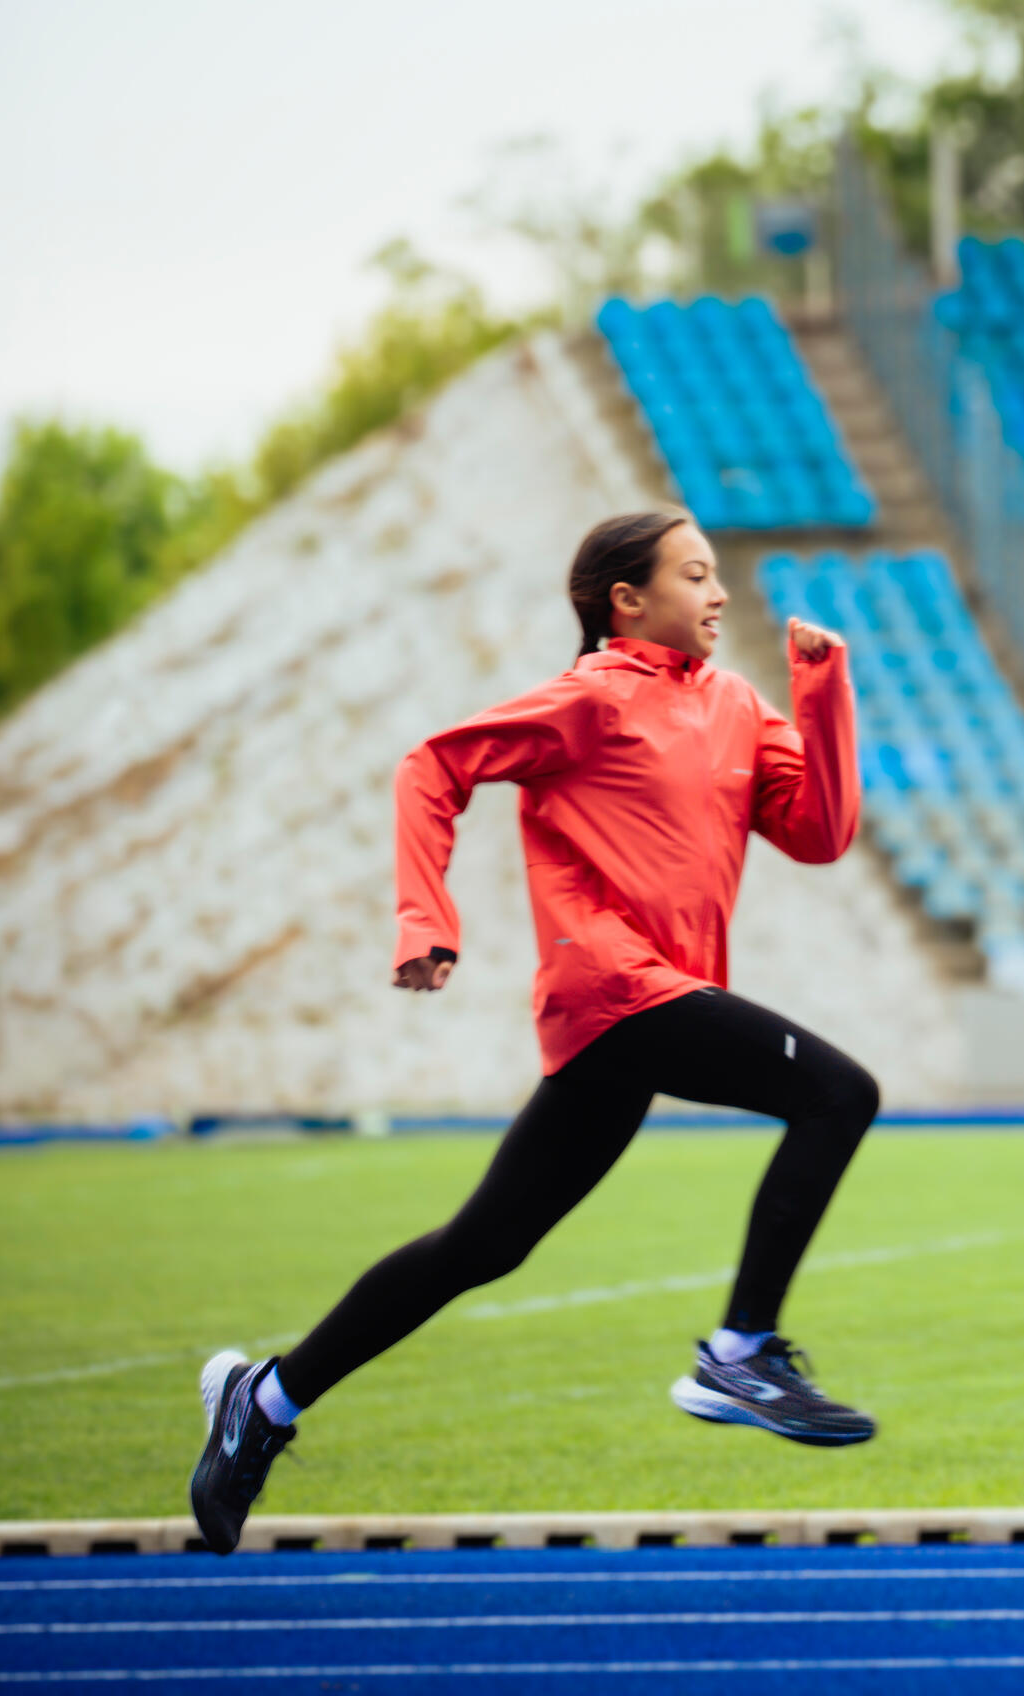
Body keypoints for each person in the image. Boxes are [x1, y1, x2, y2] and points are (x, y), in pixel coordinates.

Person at [188, 511, 885, 1556]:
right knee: (840, 1092)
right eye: (694, 575)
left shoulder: (739, 704)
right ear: (627, 600)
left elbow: (820, 834)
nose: (719, 592)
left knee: (484, 1243)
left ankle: (267, 1398)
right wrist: (427, 916)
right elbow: (432, 766)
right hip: (614, 988)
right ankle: (739, 1351)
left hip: (647, 1009)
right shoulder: (593, 699)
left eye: (716, 575)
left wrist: (823, 693)